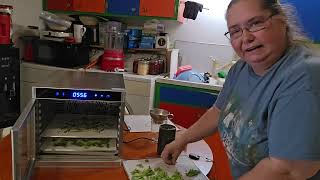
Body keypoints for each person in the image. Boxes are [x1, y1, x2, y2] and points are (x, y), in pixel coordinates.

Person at [161, 0, 320, 179]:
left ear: (282, 21)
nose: (246, 38)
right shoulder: (241, 68)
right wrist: (183, 138)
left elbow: (286, 169)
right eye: (236, 31)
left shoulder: (305, 75)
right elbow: (217, 112)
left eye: (256, 23)